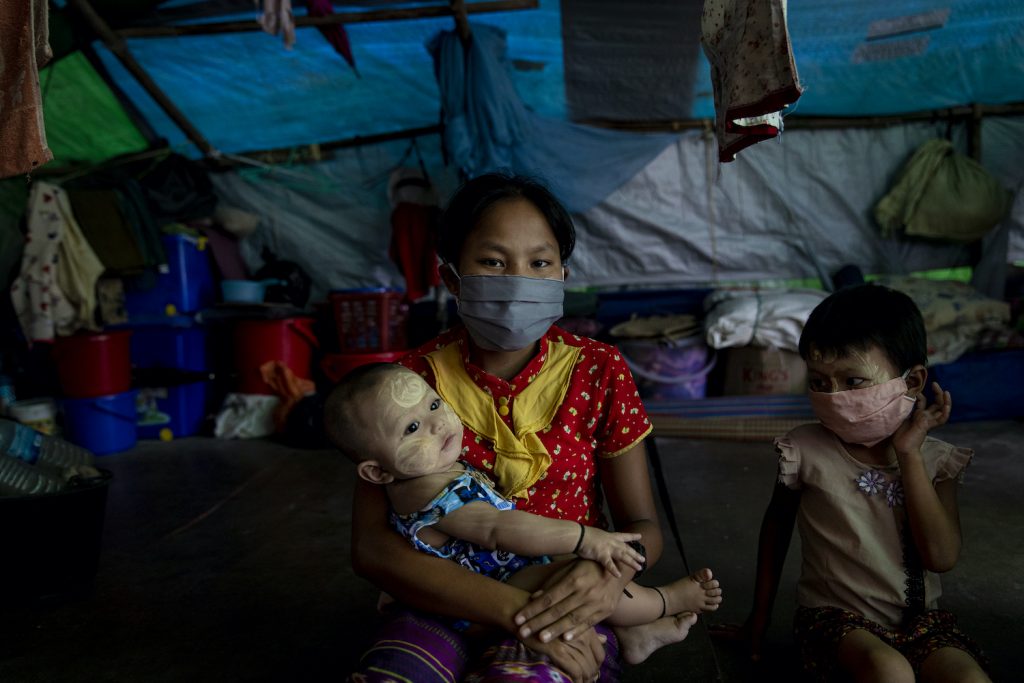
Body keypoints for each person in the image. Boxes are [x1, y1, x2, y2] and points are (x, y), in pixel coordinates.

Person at [348, 172, 721, 683]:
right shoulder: (408, 384)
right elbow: (372, 548)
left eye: (540, 262)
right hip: (434, 598)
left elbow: (643, 527)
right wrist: (509, 610)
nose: (519, 278)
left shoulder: (599, 370)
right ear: (453, 277)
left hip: (564, 596)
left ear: (563, 275)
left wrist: (603, 574)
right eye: (493, 262)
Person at [327, 363, 721, 665]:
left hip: (491, 582)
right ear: (377, 472)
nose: (435, 422)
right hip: (485, 594)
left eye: (433, 404)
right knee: (569, 576)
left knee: (582, 578)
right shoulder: (430, 493)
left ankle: (634, 634)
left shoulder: (432, 471)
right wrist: (585, 537)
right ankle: (665, 601)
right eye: (412, 427)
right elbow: (499, 529)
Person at [725, 284, 990, 682]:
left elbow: (941, 557)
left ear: (913, 381)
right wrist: (758, 619)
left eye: (853, 381)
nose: (833, 397)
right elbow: (776, 529)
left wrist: (909, 455)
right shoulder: (804, 449)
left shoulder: (937, 461)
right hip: (835, 621)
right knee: (889, 671)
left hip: (922, 623)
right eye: (818, 382)